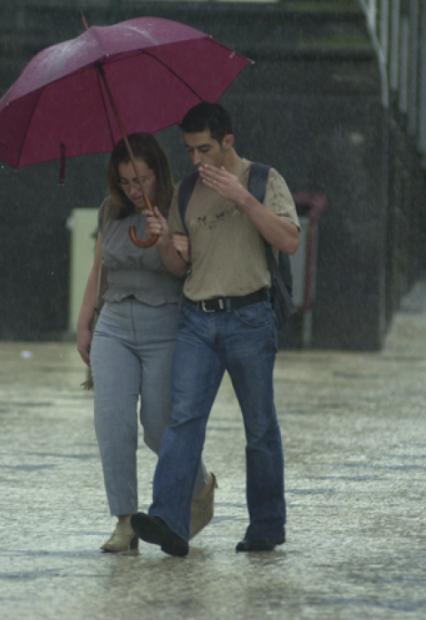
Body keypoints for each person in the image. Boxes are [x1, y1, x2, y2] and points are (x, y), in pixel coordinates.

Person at [129, 102, 300, 557]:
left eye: (205, 148)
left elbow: (289, 240)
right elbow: (176, 266)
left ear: (228, 141)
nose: (197, 160)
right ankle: (169, 518)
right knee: (183, 420)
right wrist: (165, 237)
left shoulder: (264, 179)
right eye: (189, 151)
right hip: (197, 319)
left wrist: (241, 198)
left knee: (260, 426)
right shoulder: (186, 191)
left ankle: (266, 525)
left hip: (250, 316)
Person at [75, 133, 217, 553]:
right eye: (125, 182)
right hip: (115, 323)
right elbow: (100, 268)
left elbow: (190, 269)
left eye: (142, 179)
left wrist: (167, 239)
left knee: (159, 428)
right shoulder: (110, 211)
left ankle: (200, 486)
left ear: (159, 172)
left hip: (165, 325)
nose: (135, 190)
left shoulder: (180, 206)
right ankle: (125, 521)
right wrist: (84, 322)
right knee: (112, 423)